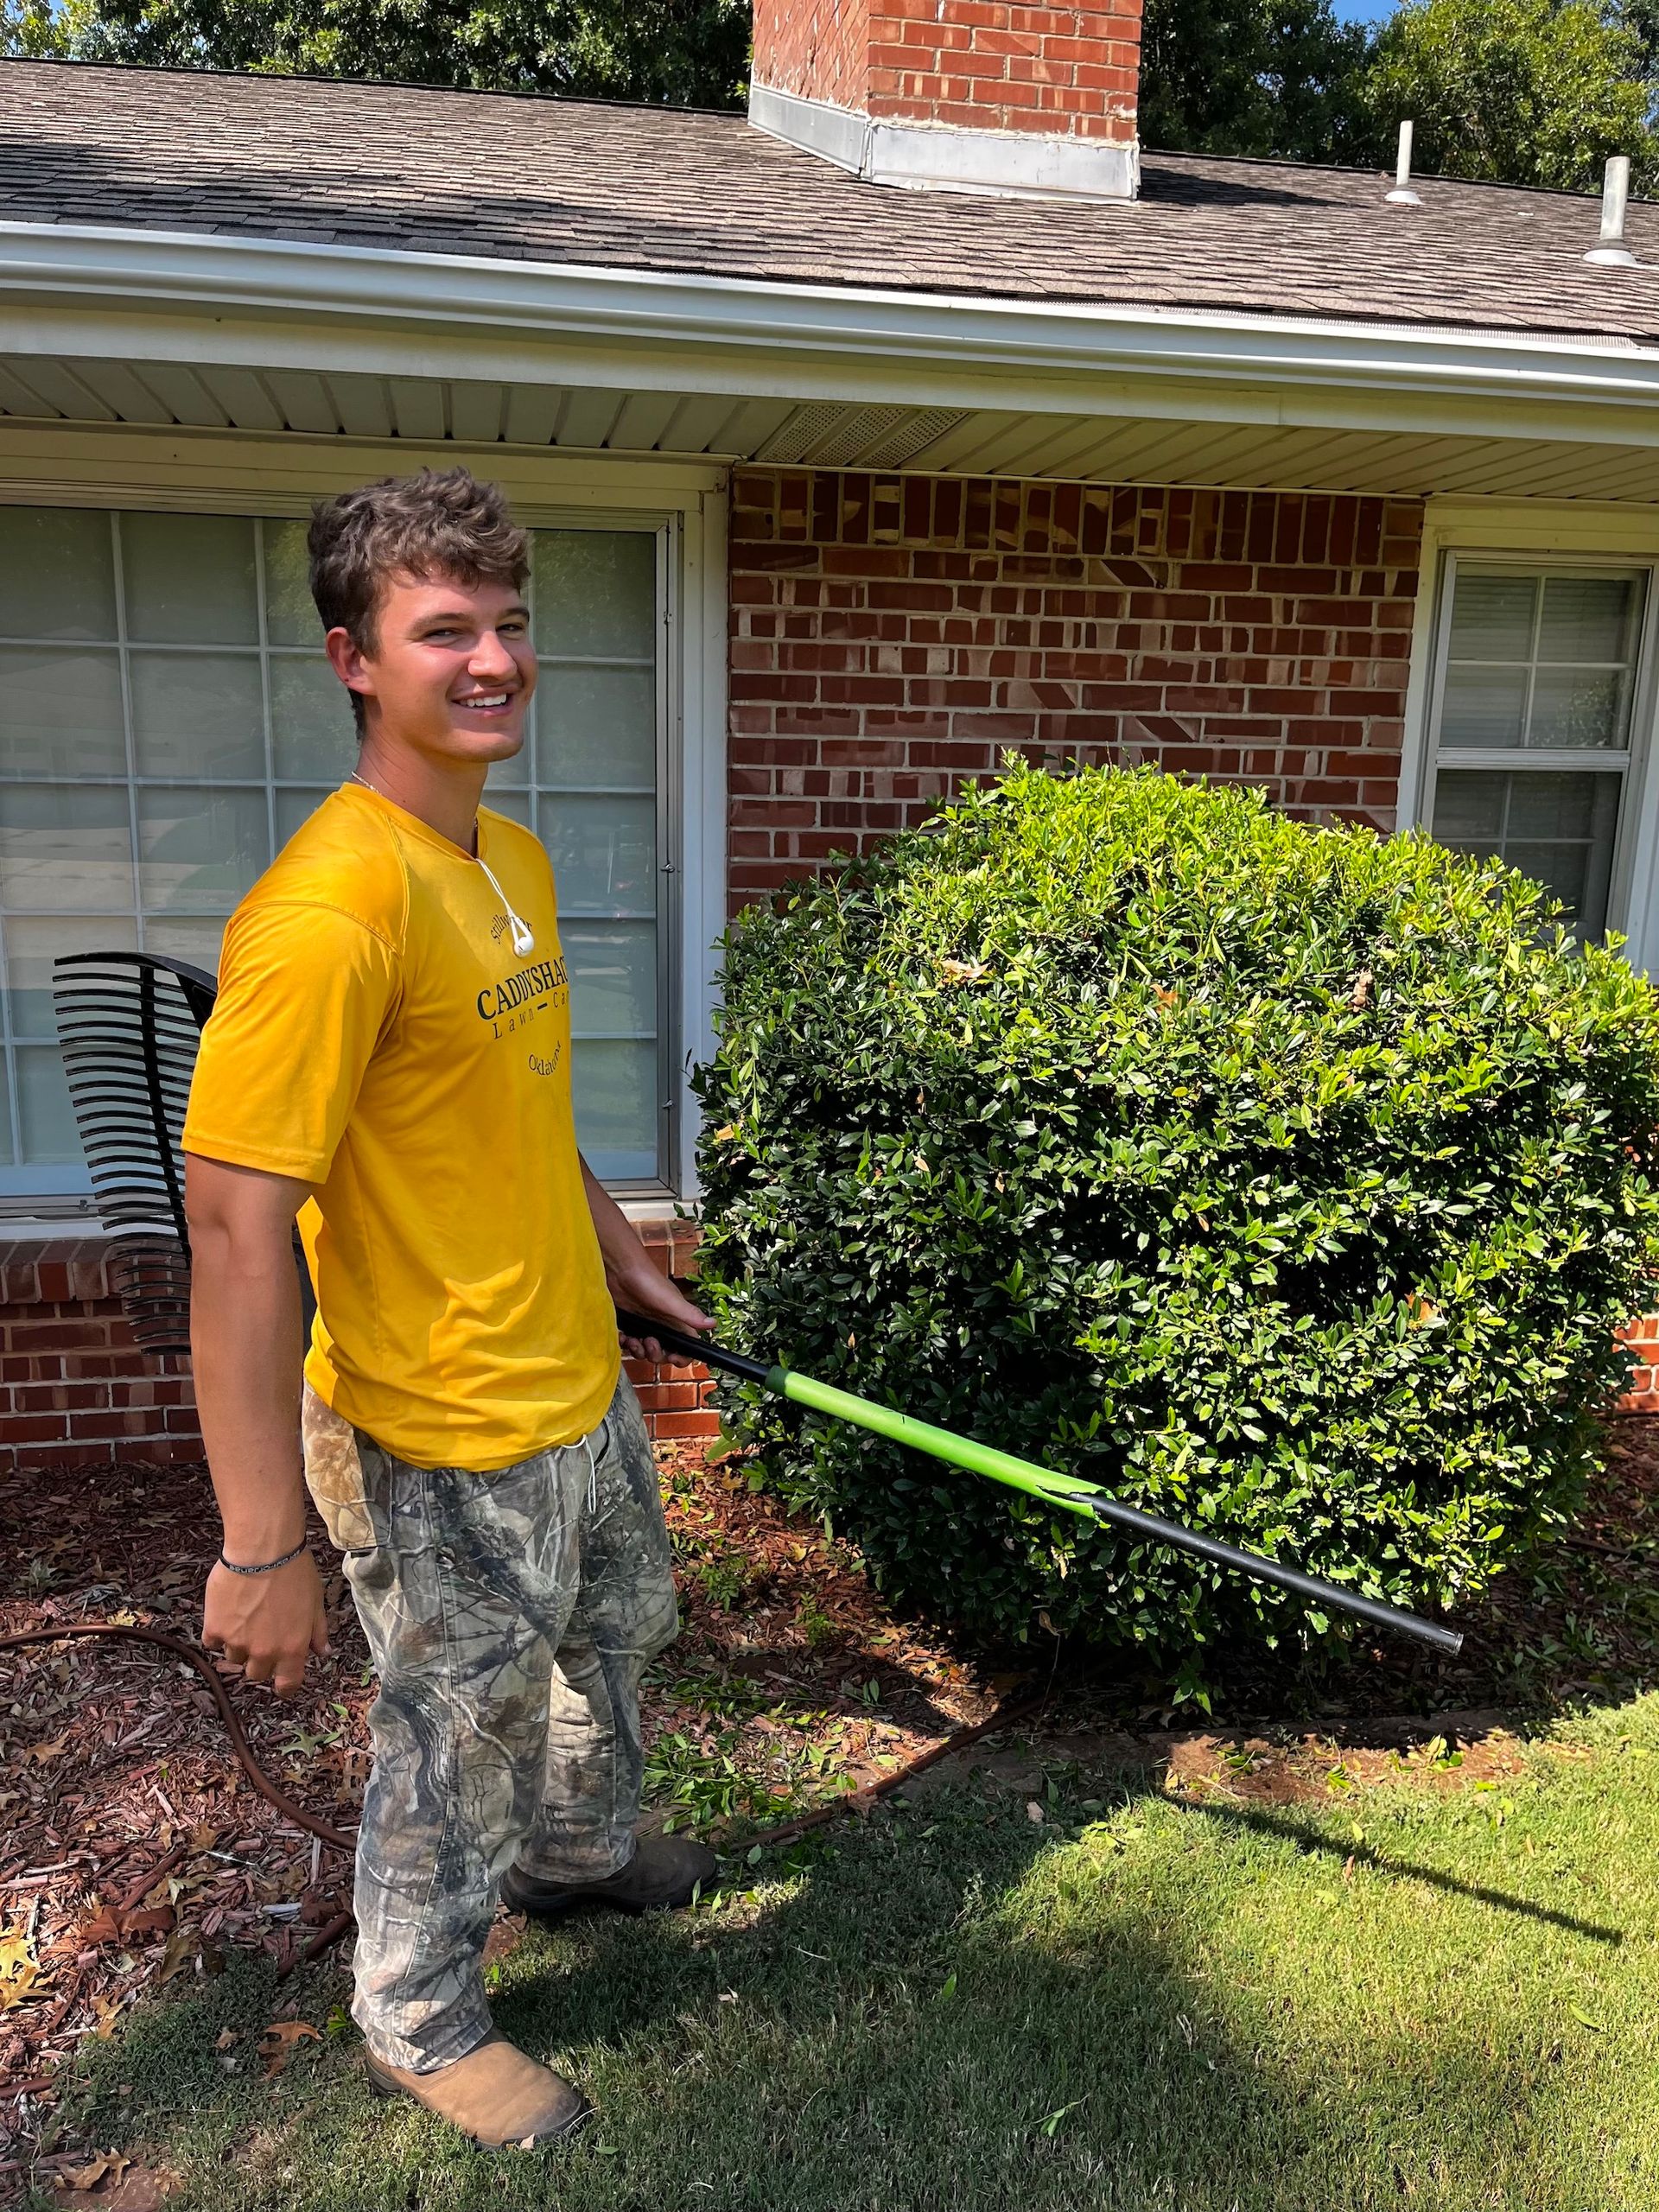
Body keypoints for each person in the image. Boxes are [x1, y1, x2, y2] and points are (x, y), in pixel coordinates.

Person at [181, 466, 715, 2152]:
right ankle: (418, 2013)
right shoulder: (327, 913)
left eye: (507, 621)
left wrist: (615, 1238)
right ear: (356, 656)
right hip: (436, 1420)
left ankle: (575, 1853)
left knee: (624, 1620)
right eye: (443, 629)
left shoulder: (508, 862)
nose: (490, 658)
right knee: (454, 1734)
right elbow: (234, 1216)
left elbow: (507, 1099)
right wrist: (259, 1535)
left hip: (569, 1371)